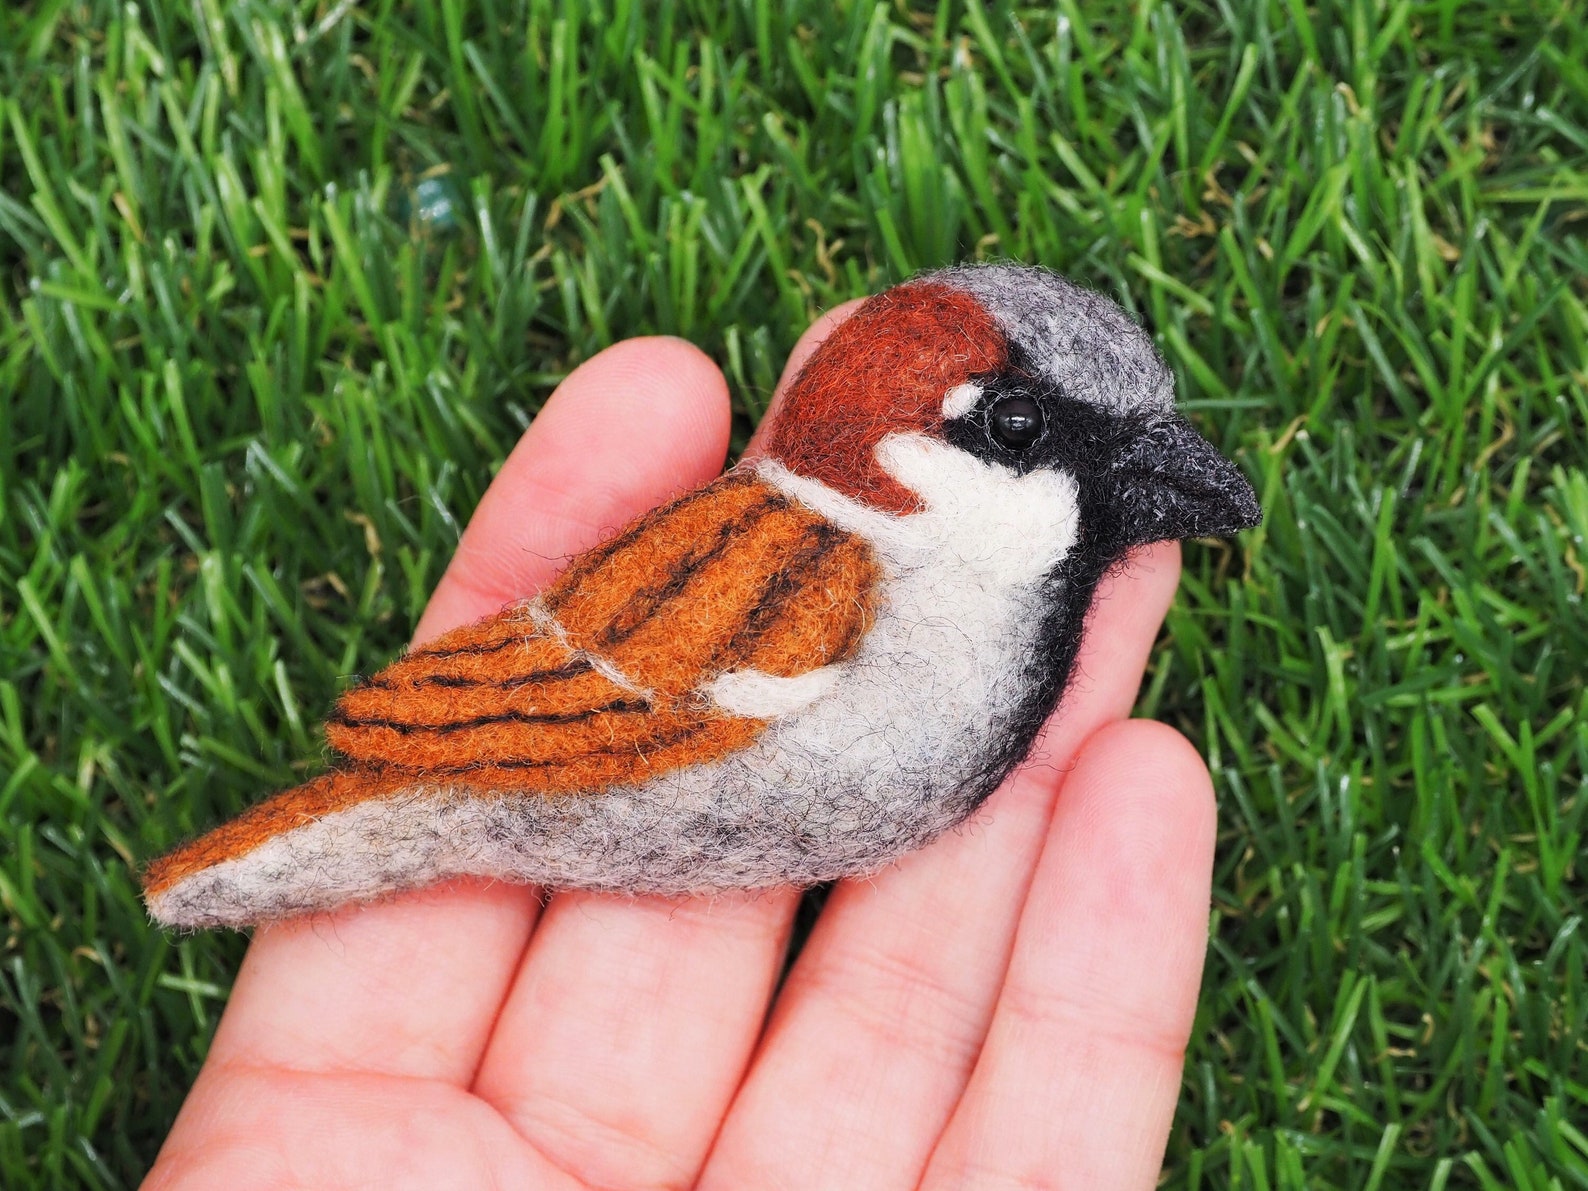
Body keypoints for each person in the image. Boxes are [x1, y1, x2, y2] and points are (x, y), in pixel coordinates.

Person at [142, 301, 1217, 1190]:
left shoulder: (978, 615)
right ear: (898, 457)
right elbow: (578, 707)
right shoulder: (823, 578)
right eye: (1022, 431)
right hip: (518, 753)